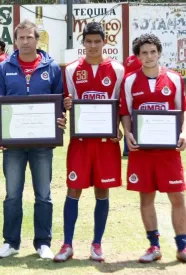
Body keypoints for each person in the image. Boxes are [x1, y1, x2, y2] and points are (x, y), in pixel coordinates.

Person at [0, 19, 66, 259]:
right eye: (21, 38)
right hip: (13, 144)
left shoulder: (52, 67)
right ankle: (11, 242)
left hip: (42, 144)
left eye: (29, 37)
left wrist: (60, 119)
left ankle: (43, 243)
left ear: (37, 39)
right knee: (12, 194)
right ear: (15, 40)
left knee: (43, 194)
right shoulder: (4, 68)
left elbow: (59, 104)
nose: (25, 42)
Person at [53, 22, 124, 263]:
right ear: (83, 43)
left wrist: (120, 130)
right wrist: (67, 105)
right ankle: (67, 244)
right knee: (74, 189)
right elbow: (68, 101)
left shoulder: (118, 69)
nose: (93, 45)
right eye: (89, 41)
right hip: (81, 142)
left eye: (97, 41)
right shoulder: (72, 70)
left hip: (106, 142)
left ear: (105, 42)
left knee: (101, 190)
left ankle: (97, 244)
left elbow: (120, 105)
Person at [120, 33, 186, 263]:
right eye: (144, 53)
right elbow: (126, 112)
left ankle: (182, 246)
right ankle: (154, 246)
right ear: (137, 56)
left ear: (159, 53)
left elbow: (182, 111)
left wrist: (184, 133)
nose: (148, 56)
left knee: (177, 197)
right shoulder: (129, 81)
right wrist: (128, 133)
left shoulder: (175, 79)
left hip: (169, 151)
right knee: (146, 197)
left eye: (152, 52)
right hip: (142, 152)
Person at [122, 37, 142, 157]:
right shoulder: (138, 60)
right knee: (132, 122)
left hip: (129, 90)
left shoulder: (129, 59)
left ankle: (126, 149)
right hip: (136, 91)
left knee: (128, 122)